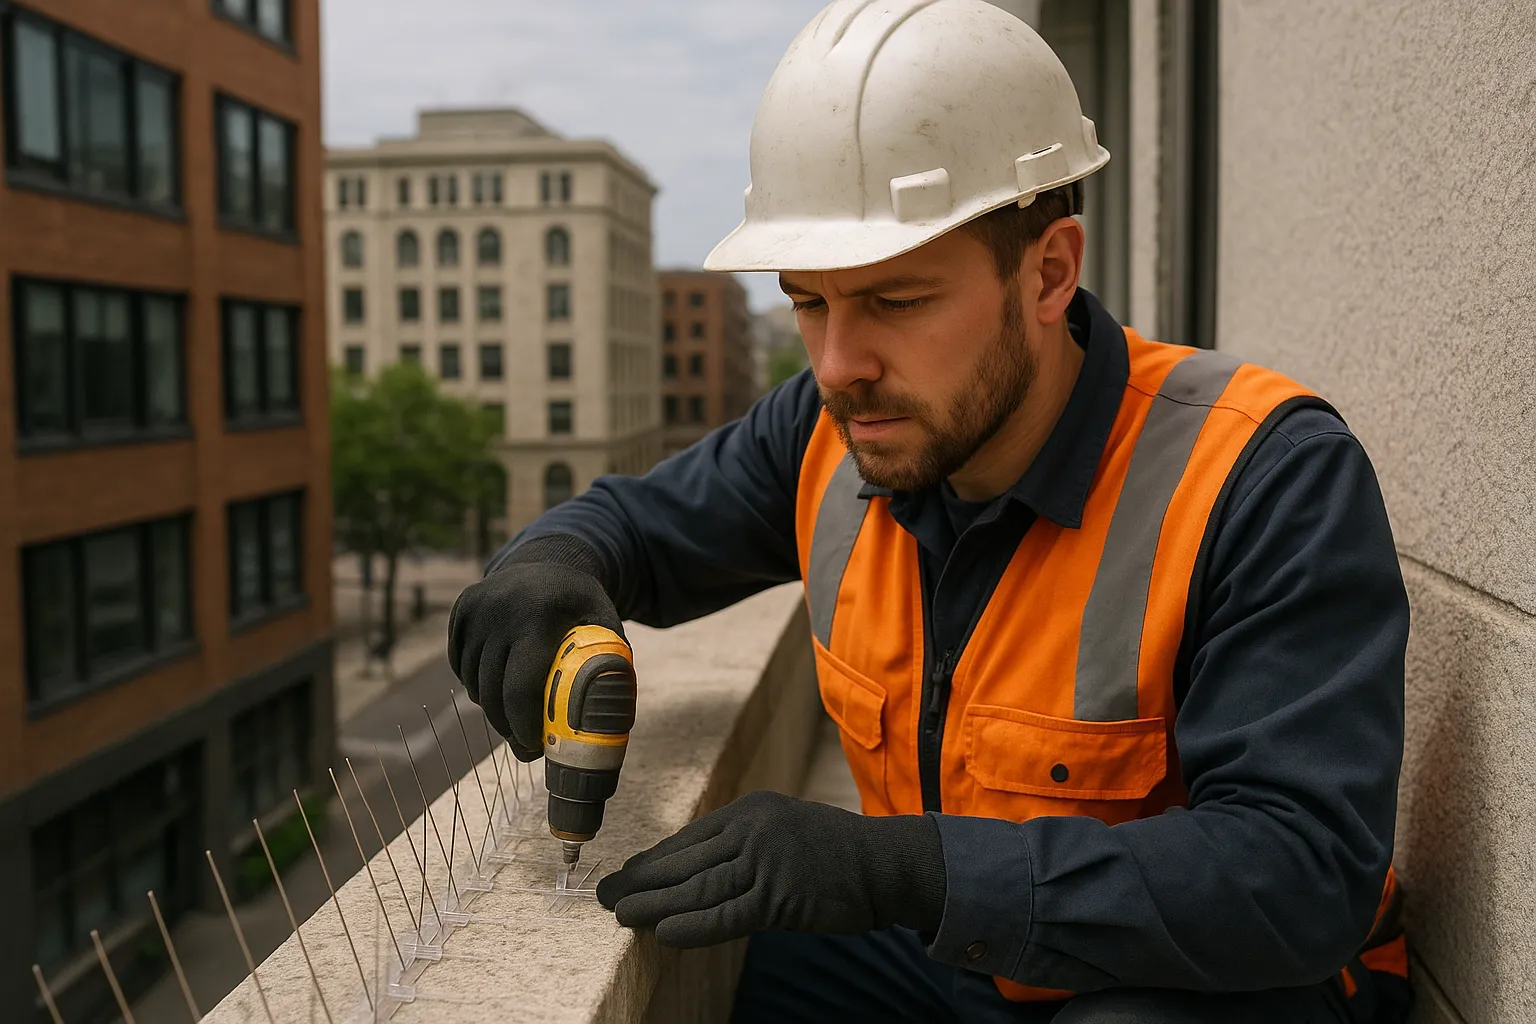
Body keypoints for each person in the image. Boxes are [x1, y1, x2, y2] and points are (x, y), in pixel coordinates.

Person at [447, 1, 1412, 1021]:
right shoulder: (835, 429)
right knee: (764, 974)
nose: (837, 366)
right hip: (971, 957)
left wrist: (900, 869)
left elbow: (1300, 872)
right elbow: (637, 527)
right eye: (809, 302)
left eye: (895, 302)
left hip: (1210, 984)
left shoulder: (1263, 475)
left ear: (1048, 273)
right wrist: (546, 563)